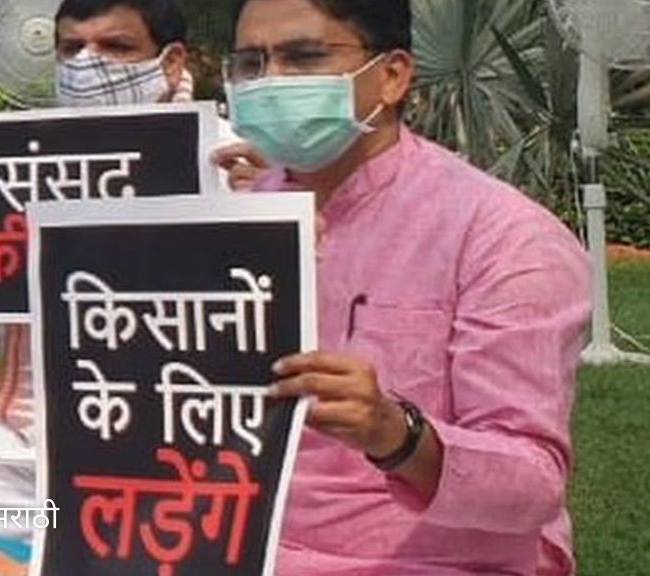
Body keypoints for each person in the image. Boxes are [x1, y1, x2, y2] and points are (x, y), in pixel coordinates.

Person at [0, 0, 256, 538]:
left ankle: (91, 518)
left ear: (170, 62)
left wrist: (266, 212)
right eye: (71, 48)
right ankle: (100, 522)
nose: (86, 64)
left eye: (115, 47)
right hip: (37, 432)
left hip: (185, 434)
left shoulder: (233, 162)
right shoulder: (14, 166)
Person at [225, 0, 592, 574]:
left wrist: (396, 435)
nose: (269, 82)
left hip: (433, 559)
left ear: (392, 75)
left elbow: (532, 483)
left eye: (303, 56)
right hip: (235, 543)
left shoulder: (502, 236)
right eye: (251, 63)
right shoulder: (229, 224)